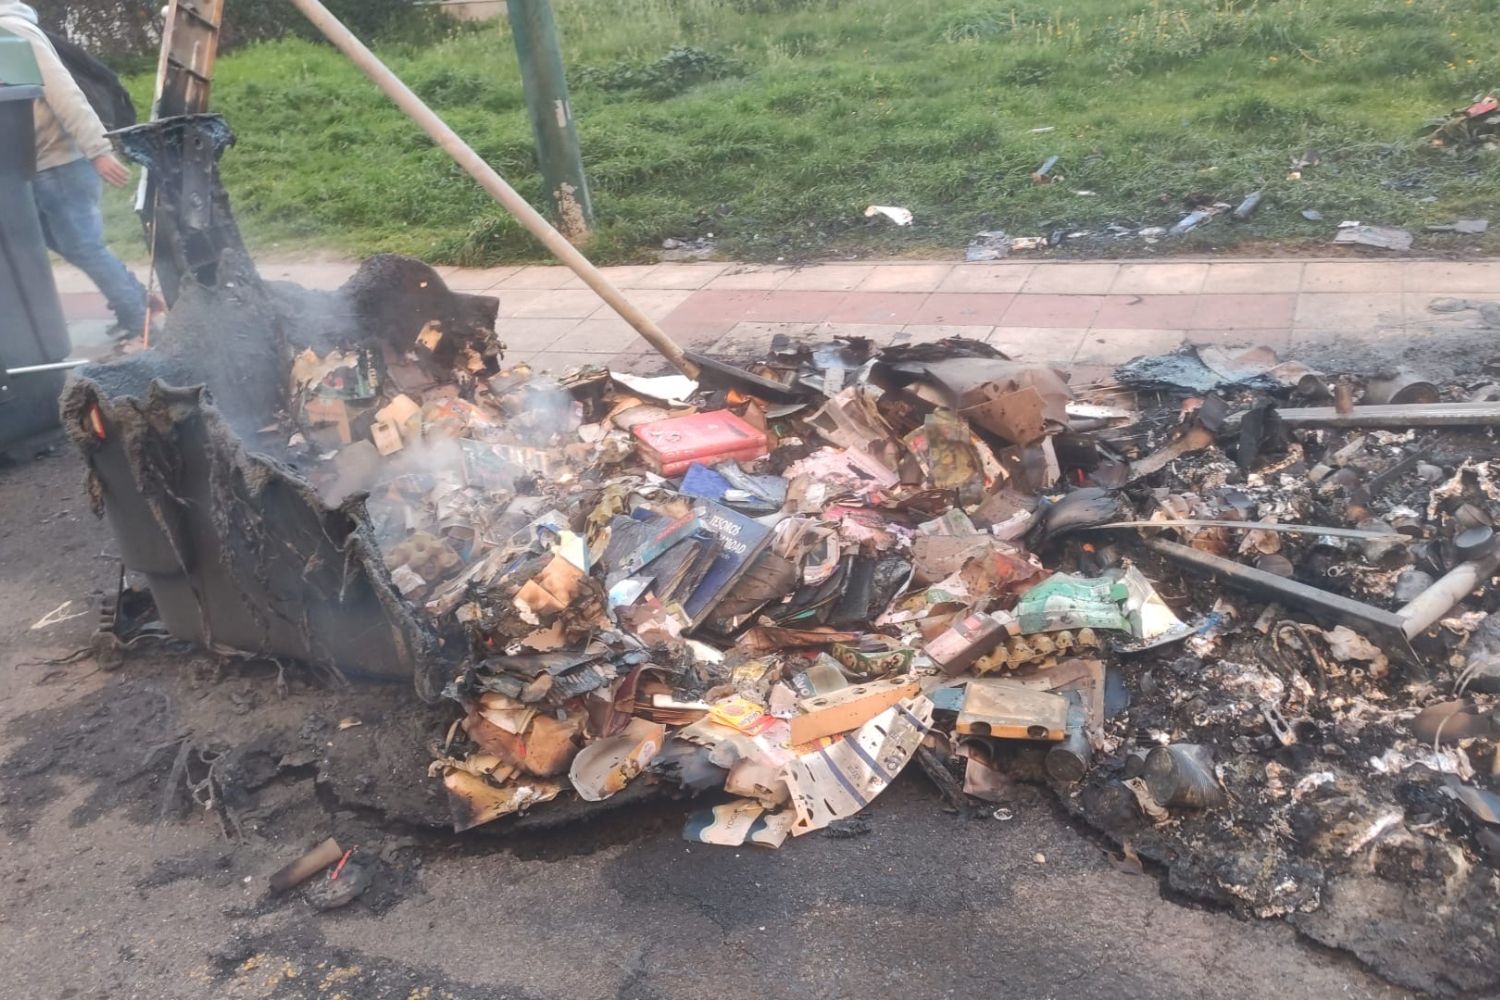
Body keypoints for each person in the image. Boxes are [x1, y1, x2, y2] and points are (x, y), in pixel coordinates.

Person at [0, 1, 155, 336]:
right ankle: (137, 299)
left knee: (83, 245)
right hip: (35, 165)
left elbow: (64, 92)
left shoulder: (12, 30)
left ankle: (139, 322)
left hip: (60, 161)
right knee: (58, 242)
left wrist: (97, 150)